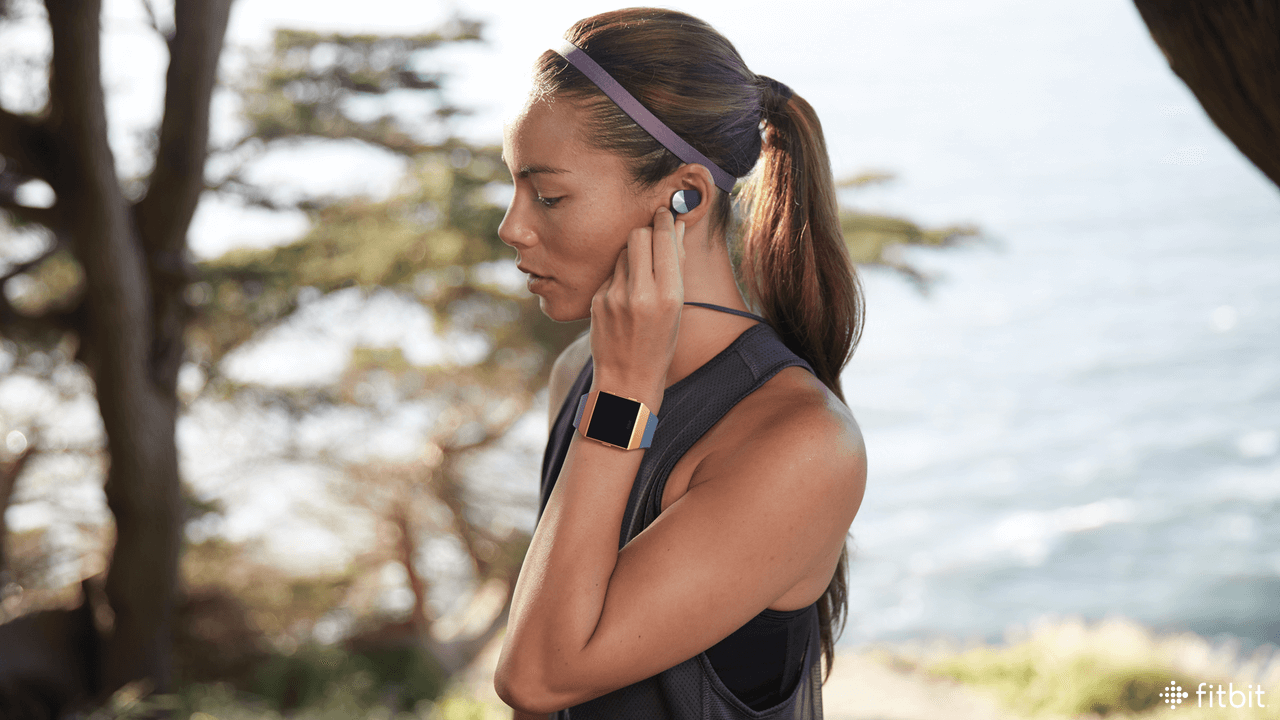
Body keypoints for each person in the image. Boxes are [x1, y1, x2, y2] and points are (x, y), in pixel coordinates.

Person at [493, 8, 867, 719]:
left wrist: (626, 392)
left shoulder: (802, 444)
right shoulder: (580, 371)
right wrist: (615, 382)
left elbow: (537, 679)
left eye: (548, 195)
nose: (511, 226)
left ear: (684, 196)